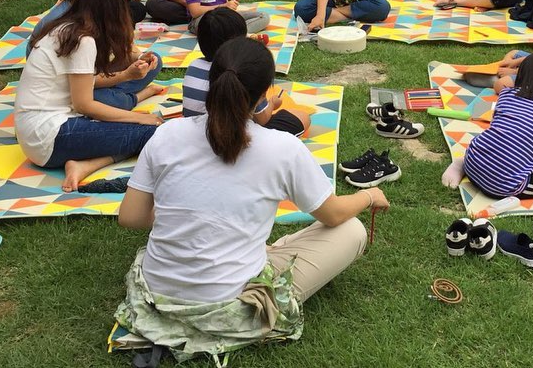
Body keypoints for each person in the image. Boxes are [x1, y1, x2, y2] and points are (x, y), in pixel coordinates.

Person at [115, 37, 389, 362]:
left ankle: (259, 252)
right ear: (264, 94)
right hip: (234, 303)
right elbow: (333, 214)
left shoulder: (167, 134)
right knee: (351, 230)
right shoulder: (283, 148)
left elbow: (131, 216)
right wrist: (368, 195)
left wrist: (185, 215)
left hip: (158, 294)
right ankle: (259, 261)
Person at [15, 0, 163, 192]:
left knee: (141, 127)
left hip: (39, 133)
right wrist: (140, 118)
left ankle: (84, 165)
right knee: (156, 132)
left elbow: (87, 84)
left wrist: (128, 74)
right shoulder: (82, 39)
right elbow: (84, 104)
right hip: (49, 137)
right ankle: (86, 164)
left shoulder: (67, 27)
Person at [442, 54, 533, 198]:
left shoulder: (506, 94)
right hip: (502, 184)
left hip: (473, 163)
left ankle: (462, 163)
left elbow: (505, 135)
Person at [28, 0, 164, 111]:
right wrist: (125, 76)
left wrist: (141, 58)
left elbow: (126, 47)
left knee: (153, 61)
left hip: (91, 72)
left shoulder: (97, 14)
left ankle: (114, 95)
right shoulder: (72, 31)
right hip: (68, 84)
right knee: (100, 99)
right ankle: (129, 98)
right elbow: (81, 81)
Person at [183, 8, 310, 136]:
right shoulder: (245, 71)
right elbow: (263, 119)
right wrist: (273, 103)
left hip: (194, 132)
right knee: (302, 117)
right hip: (236, 138)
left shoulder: (193, 66)